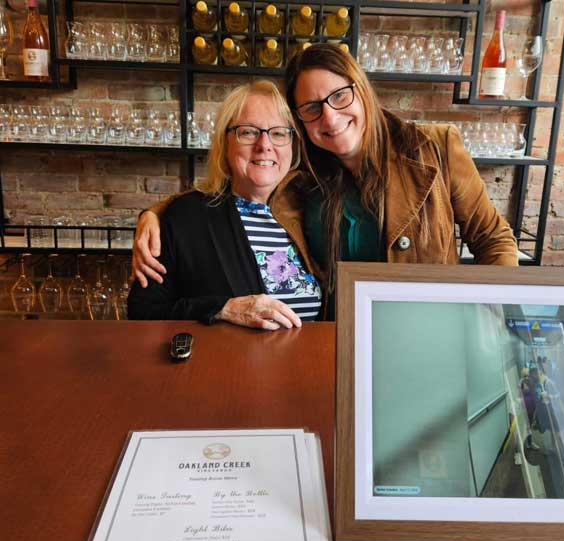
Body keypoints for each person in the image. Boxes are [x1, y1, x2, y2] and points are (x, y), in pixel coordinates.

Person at [133, 44, 518, 316]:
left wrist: (483, 316)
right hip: (339, 343)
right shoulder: (309, 176)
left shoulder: (434, 147)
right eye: (312, 108)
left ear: (361, 91)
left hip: (428, 331)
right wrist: (157, 213)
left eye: (339, 97)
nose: (330, 118)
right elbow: (237, 189)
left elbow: (493, 239)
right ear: (302, 123)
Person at [127, 80, 322, 330]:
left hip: (310, 367)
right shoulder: (185, 217)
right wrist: (222, 309)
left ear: (293, 145)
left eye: (278, 133)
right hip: (222, 367)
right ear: (225, 143)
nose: (264, 145)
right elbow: (142, 313)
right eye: (249, 132)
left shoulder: (313, 213)